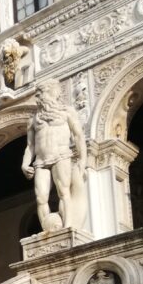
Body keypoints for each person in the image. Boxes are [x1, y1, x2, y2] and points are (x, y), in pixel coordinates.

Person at [21, 80, 88, 231]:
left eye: (41, 92)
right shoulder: (33, 119)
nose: (38, 96)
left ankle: (68, 225)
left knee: (63, 192)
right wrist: (25, 164)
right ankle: (47, 229)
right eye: (37, 94)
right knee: (40, 198)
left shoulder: (66, 111)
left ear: (53, 93)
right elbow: (30, 146)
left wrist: (83, 160)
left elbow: (78, 136)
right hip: (41, 161)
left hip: (61, 155)